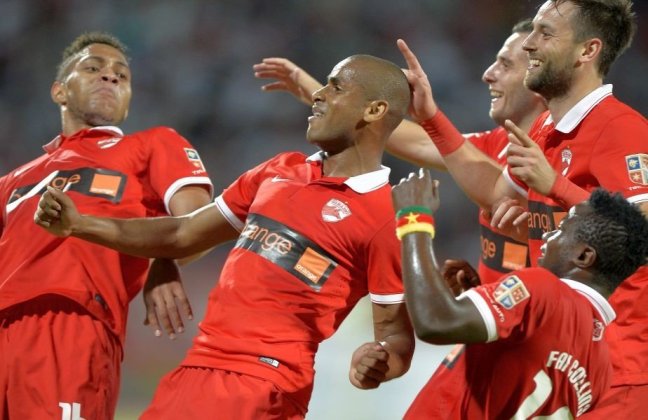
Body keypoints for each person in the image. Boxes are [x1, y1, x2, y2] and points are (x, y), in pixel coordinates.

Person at [34, 53, 416, 419]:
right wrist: (80, 224)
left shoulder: (384, 217)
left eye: (335, 87)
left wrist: (380, 361)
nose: (318, 94)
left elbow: (395, 335)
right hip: (196, 368)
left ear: (374, 110)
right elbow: (184, 232)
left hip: (263, 383)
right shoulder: (278, 170)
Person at [396, 0, 648, 416]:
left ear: (588, 51)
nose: (529, 44)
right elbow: (497, 191)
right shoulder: (547, 128)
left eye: (545, 34)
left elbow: (642, 229)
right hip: (559, 359)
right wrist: (430, 117)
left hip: (619, 371)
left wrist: (555, 187)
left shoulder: (621, 129)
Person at [0, 32, 213, 419]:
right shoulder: (13, 181)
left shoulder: (152, 145)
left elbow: (201, 227)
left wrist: (164, 259)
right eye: (93, 68)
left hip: (71, 324)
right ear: (59, 91)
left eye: (122, 75)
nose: (110, 76)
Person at [253, 19, 547, 286]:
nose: (488, 75)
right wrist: (321, 95)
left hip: (542, 323)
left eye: (505, 65)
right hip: (497, 318)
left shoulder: (562, 154)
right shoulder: (495, 144)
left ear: (539, 76)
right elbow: (416, 141)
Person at [392, 171, 648, 418]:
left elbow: (435, 322)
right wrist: (477, 301)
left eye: (561, 230)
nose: (547, 234)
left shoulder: (544, 290)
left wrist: (414, 217)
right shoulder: (600, 369)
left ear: (583, 256)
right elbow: (516, 374)